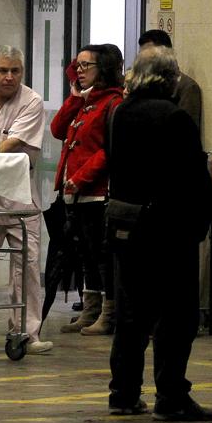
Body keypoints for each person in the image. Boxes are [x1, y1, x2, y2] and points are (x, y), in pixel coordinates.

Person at [105, 45, 212, 420]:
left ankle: (123, 393)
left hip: (126, 226)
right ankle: (171, 396)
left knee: (131, 315)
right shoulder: (174, 118)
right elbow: (191, 176)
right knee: (177, 316)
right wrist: (207, 213)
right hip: (169, 230)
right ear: (169, 79)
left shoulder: (120, 113)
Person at [0, 46, 54, 355]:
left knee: (27, 267)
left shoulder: (31, 101)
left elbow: (12, 144)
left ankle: (26, 331)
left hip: (20, 196)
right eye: (3, 70)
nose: (9, 76)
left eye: (15, 71)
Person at [50, 43, 124, 335]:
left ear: (102, 69)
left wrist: (81, 177)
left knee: (101, 255)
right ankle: (90, 309)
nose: (78, 71)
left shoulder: (113, 103)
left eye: (85, 66)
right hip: (74, 193)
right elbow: (57, 129)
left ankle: (108, 313)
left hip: (96, 190)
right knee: (84, 255)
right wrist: (73, 98)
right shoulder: (84, 101)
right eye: (76, 65)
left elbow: (109, 149)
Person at [138, 29, 202, 132]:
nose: (144, 60)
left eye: (149, 55)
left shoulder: (186, 87)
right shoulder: (143, 85)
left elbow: (187, 132)